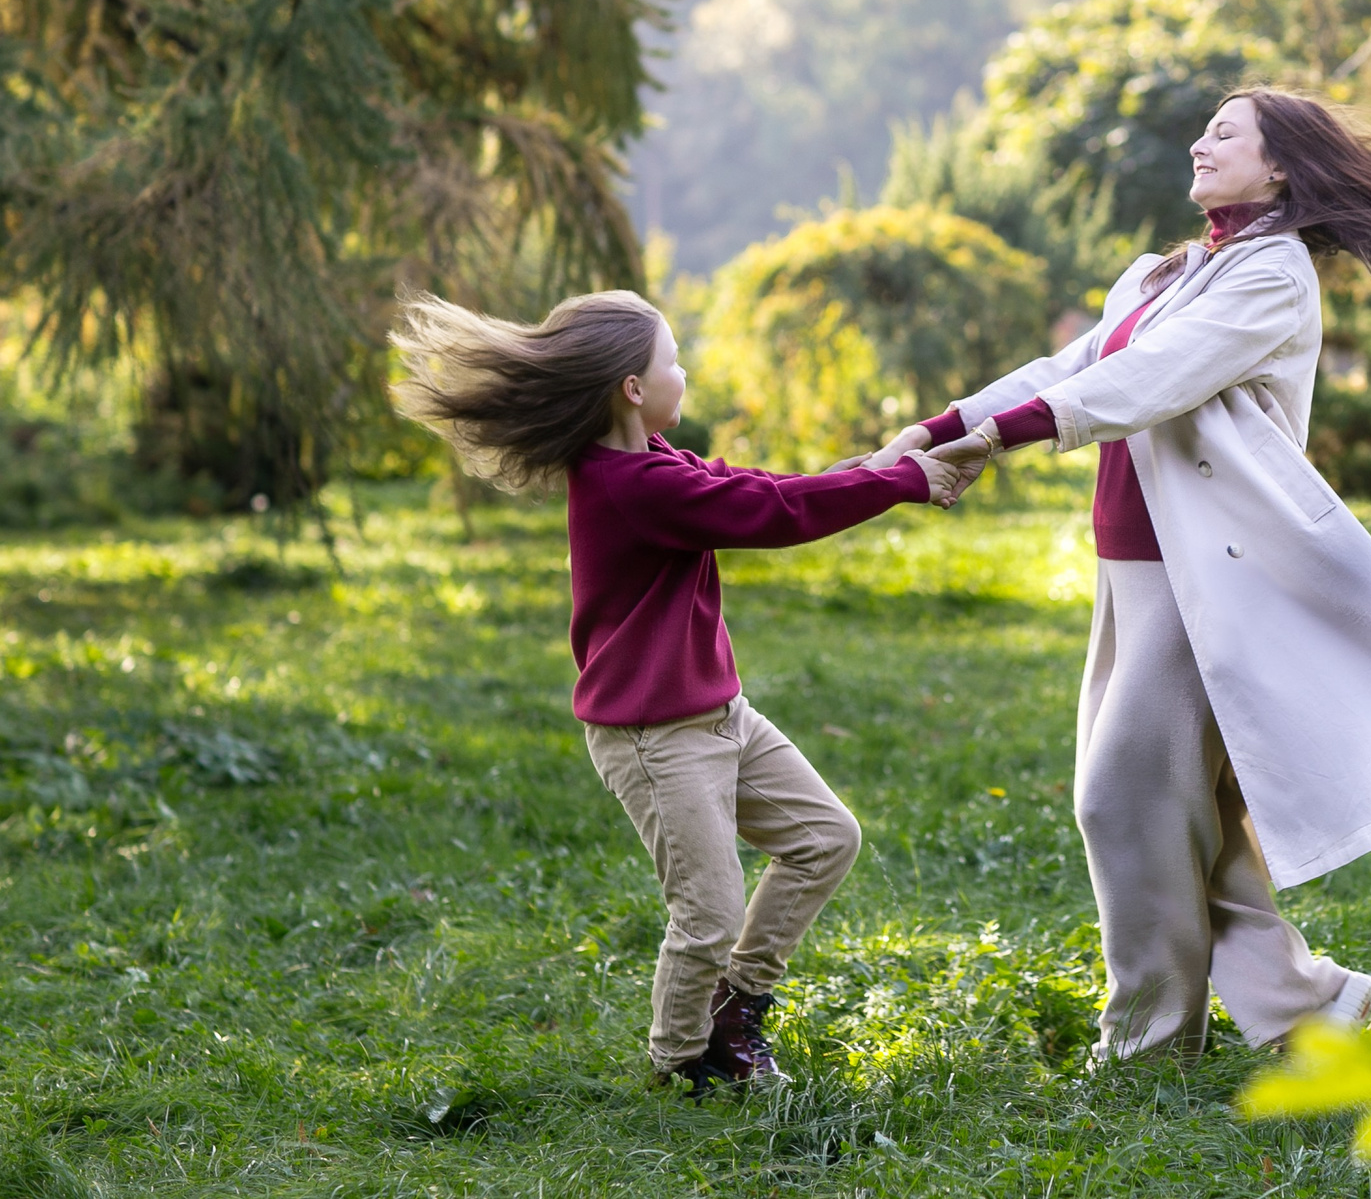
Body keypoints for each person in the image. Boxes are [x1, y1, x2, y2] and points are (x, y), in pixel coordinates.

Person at [855, 87, 1371, 1063]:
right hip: (1130, 568)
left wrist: (996, 439)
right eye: (1204, 131)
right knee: (1183, 816)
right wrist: (935, 428)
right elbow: (1071, 364)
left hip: (1211, 576)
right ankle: (1306, 1011)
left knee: (1121, 797)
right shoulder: (1163, 272)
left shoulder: (1274, 276)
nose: (1198, 145)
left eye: (1224, 133)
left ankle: (1148, 1042)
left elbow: (1149, 379)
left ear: (1280, 166)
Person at [389, 290, 992, 1093]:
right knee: (707, 915)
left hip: (721, 717)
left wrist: (882, 466)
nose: (685, 371)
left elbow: (764, 487)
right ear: (633, 386)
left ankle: (735, 1010)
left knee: (825, 838)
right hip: (655, 737)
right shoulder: (631, 485)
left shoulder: (656, 461)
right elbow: (771, 513)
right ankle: (681, 1063)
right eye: (673, 359)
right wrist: (902, 483)